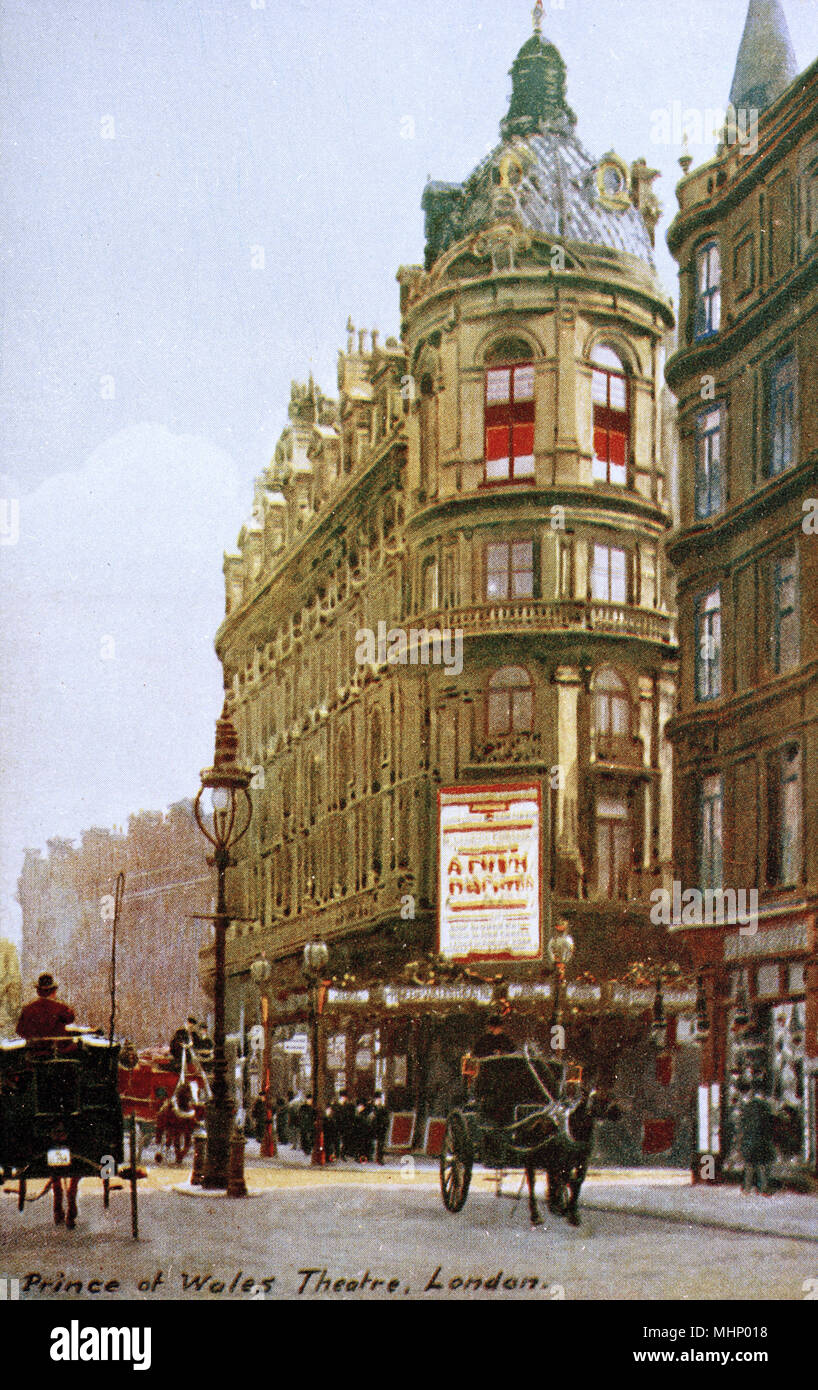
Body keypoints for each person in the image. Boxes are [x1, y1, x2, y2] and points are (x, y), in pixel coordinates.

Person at [739, 1078, 777, 1196]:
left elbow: (742, 1124)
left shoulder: (748, 1106)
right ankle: (763, 1189)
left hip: (749, 1140)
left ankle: (746, 1188)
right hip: (762, 1140)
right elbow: (771, 1125)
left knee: (749, 1165)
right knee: (762, 1165)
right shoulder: (766, 1107)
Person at [16, 973, 75, 1040]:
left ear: (38, 992)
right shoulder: (61, 1008)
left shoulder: (28, 1009)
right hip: (56, 1048)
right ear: (54, 991)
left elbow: (19, 1031)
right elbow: (70, 1019)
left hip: (34, 1048)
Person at [372, 1092, 390, 1165]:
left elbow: (386, 1118)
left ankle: (379, 1158)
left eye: (380, 1099)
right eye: (377, 1099)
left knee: (381, 1144)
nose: (379, 1101)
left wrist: (385, 1125)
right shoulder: (372, 1107)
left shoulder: (383, 1108)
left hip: (381, 1128)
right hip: (372, 1127)